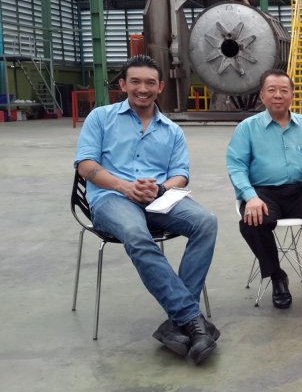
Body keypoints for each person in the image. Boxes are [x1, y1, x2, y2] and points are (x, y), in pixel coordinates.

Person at [73, 55, 219, 364]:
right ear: (123, 85)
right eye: (135, 82)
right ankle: (192, 320)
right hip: (111, 198)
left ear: (160, 87)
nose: (143, 89)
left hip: (157, 199)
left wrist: (161, 189)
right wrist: (124, 187)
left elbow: (181, 175)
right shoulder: (101, 118)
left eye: (150, 83)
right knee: (136, 233)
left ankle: (177, 325)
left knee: (206, 221)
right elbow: (85, 165)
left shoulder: (172, 131)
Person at [227, 69, 302, 310]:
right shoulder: (247, 128)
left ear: (292, 95)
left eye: (283, 90)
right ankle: (277, 277)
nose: (278, 95)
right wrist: (250, 196)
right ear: (262, 95)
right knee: (252, 222)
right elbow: (236, 166)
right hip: (264, 193)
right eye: (272, 90)